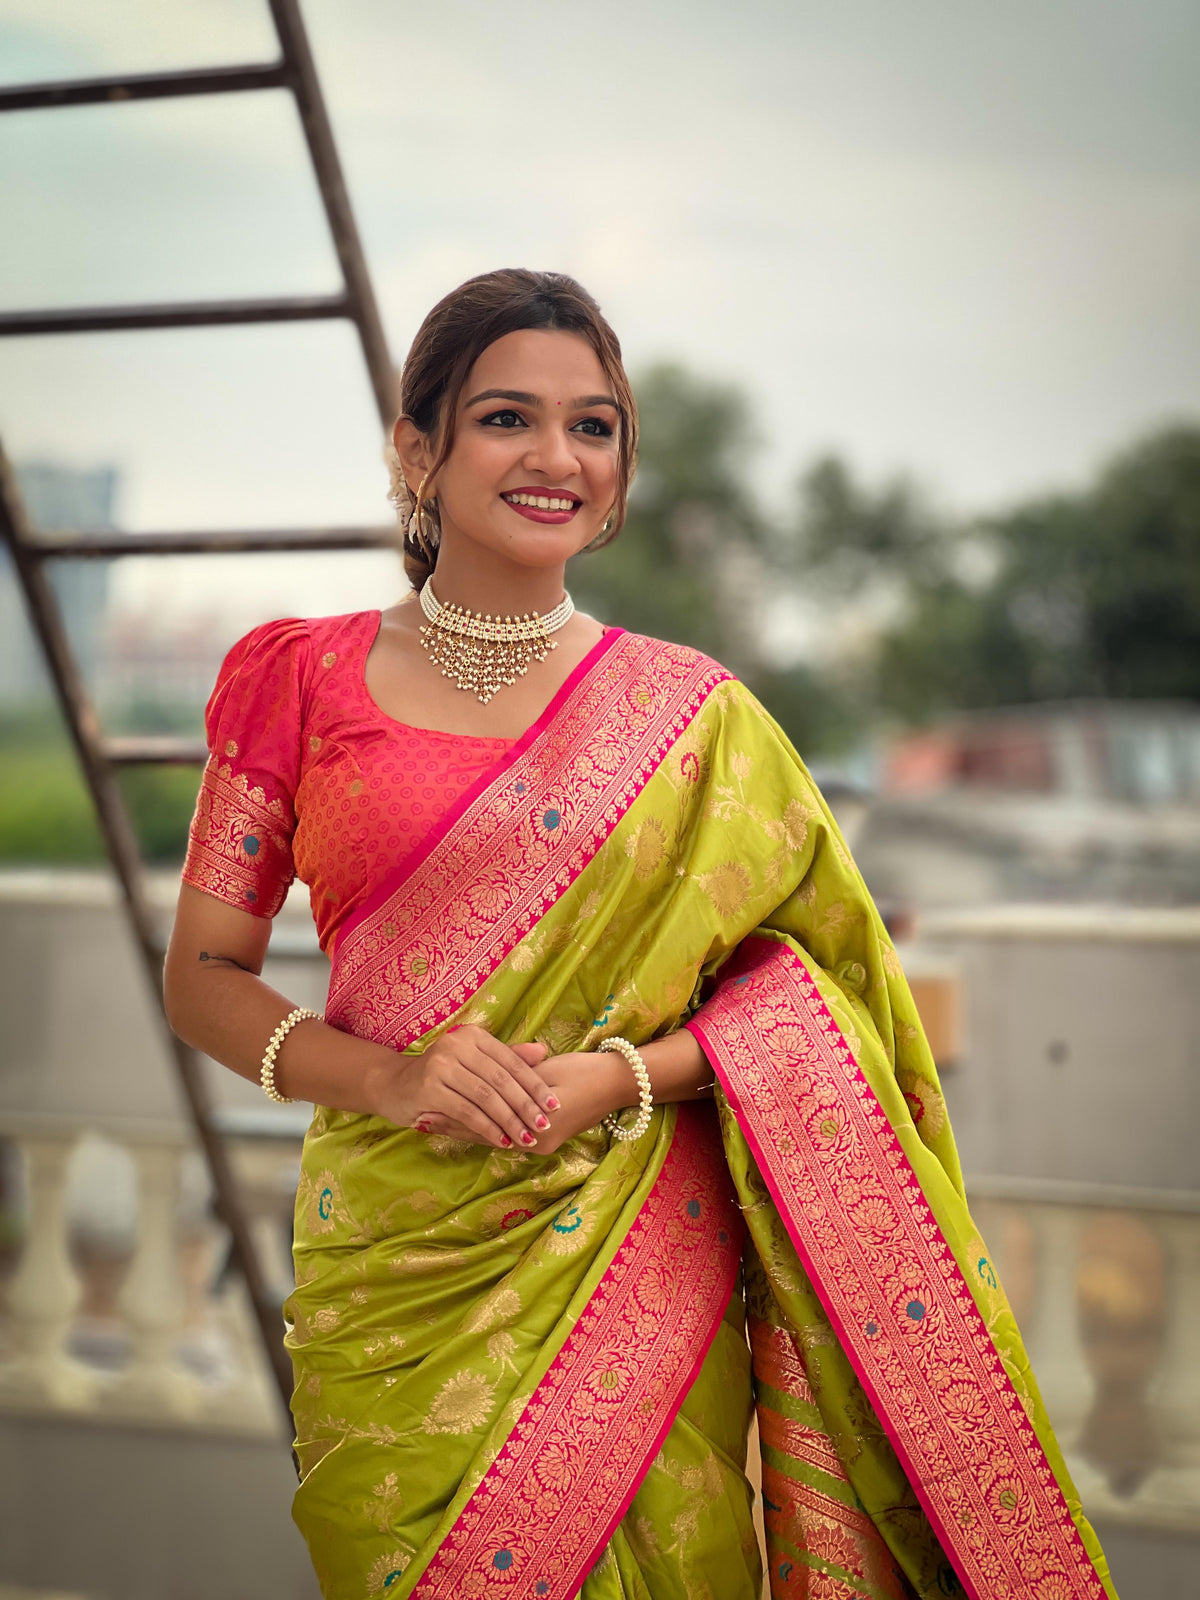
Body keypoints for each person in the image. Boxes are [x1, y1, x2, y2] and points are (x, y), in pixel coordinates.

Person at [164, 268, 1116, 1600]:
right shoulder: (294, 679)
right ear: (417, 448)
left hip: (632, 1254)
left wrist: (616, 1079)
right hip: (391, 1274)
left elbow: (822, 996)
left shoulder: (701, 721)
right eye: (507, 418)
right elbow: (205, 976)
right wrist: (386, 1075)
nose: (555, 457)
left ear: (619, 469)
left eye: (594, 425)